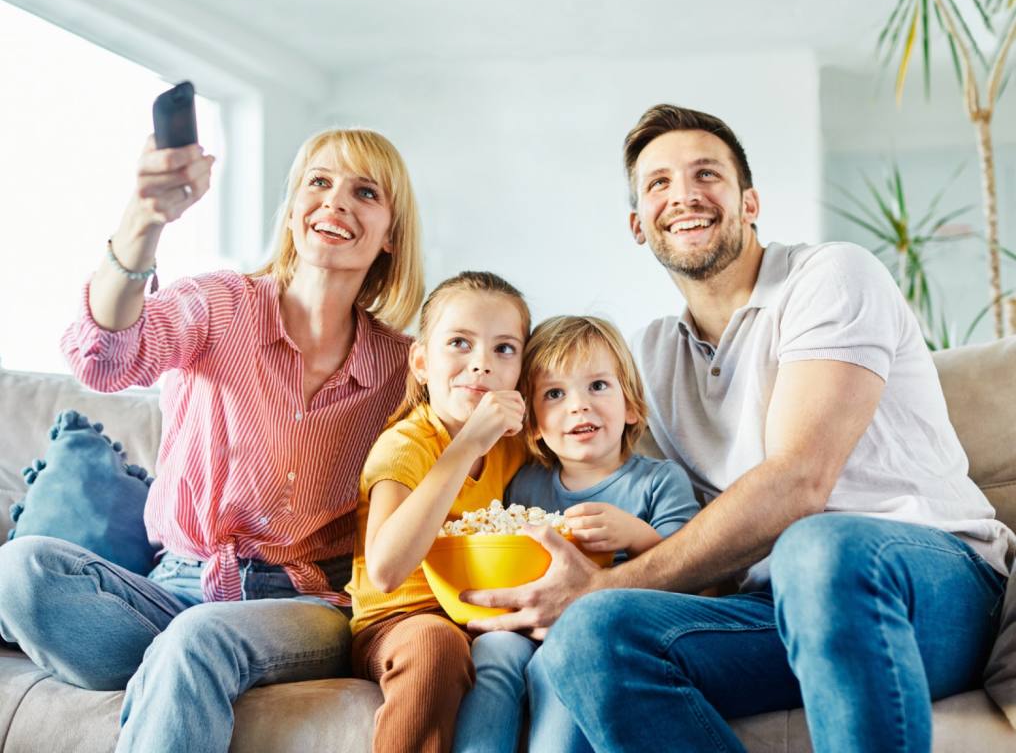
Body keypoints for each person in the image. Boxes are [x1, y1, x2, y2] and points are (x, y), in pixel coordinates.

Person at [462, 104, 1015, 752]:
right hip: (772, 608)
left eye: (707, 174)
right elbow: (568, 431)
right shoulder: (652, 357)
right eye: (659, 184)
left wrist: (607, 582)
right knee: (590, 637)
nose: (685, 194)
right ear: (639, 226)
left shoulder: (830, 276)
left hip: (928, 584)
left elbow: (798, 481)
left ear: (750, 201)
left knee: (818, 547)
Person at [0, 127, 424, 752]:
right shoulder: (221, 305)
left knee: (200, 639)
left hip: (308, 605)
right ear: (292, 208)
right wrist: (146, 216)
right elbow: (105, 359)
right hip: (177, 585)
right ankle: (175, 675)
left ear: (390, 234)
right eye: (319, 182)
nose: (335, 202)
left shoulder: (403, 367)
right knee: (22, 568)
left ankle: (184, 665)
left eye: (364, 192)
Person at [452, 315, 699, 753]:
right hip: (528, 626)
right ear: (533, 427)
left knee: (558, 665)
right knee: (492, 654)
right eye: (555, 394)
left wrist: (636, 534)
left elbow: (693, 572)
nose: (578, 405)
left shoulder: (659, 481)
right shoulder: (526, 486)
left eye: (598, 386)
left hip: (602, 635)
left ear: (632, 406)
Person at [345, 271, 531, 753]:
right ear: (423, 363)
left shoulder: (514, 448)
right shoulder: (405, 446)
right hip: (400, 622)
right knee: (435, 644)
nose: (481, 365)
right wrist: (466, 443)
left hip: (476, 615)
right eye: (460, 344)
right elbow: (386, 570)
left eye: (504, 349)